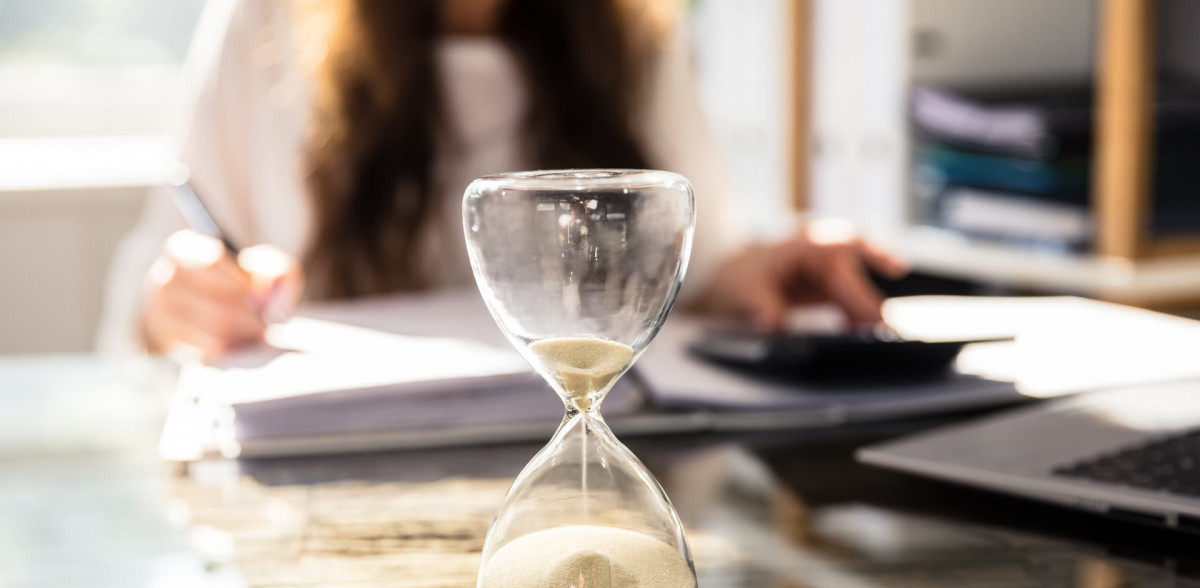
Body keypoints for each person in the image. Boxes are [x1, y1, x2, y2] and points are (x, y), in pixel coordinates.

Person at [97, 0, 905, 360]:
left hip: (599, 468)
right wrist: (183, 302)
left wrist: (750, 270)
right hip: (337, 493)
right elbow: (154, 278)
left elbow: (686, 268)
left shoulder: (636, 35)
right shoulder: (266, 22)